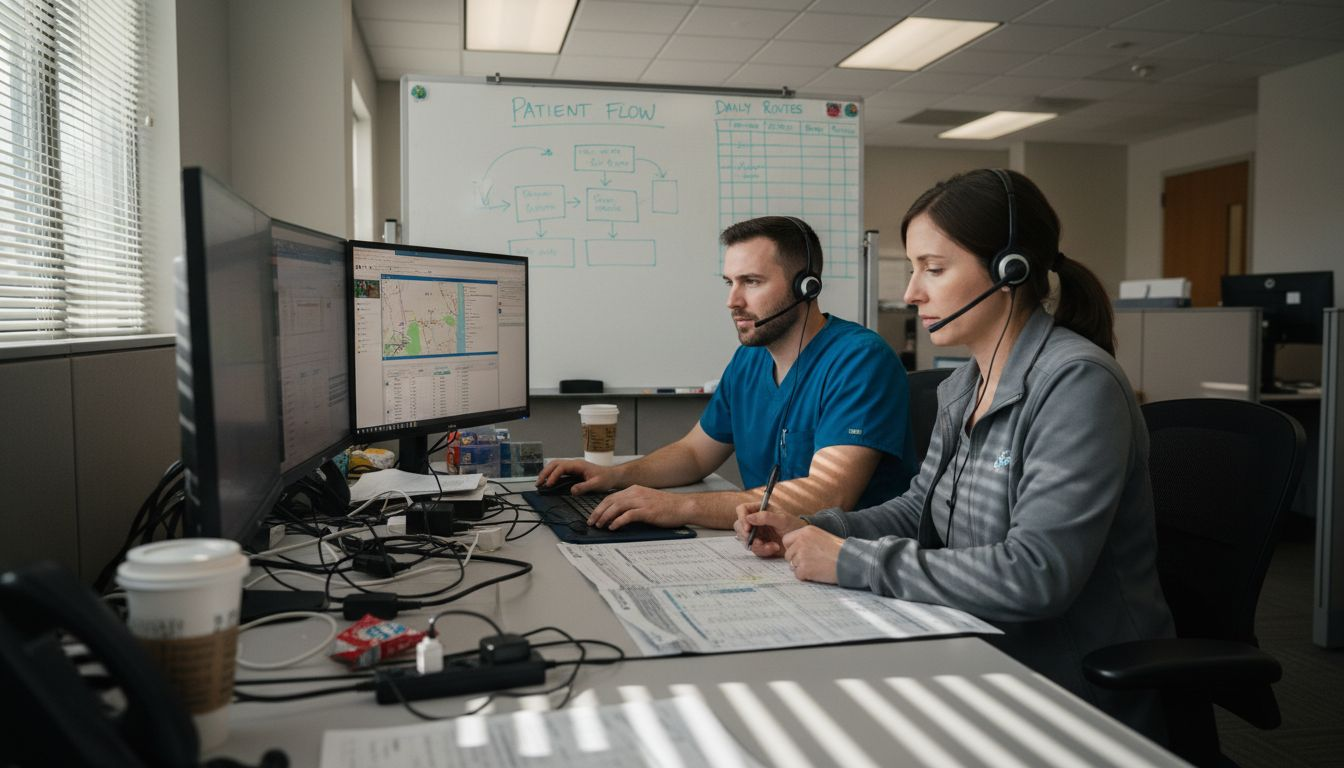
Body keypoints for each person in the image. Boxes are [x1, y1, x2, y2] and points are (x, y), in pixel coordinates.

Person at [734, 170, 1175, 739]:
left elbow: (1037, 576)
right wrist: (812, 527)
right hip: (974, 646)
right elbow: (920, 510)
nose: (912, 292)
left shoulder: (1076, 384)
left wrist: (850, 560)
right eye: (914, 268)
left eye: (934, 269)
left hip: (1067, 690)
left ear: (1009, 270)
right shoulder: (964, 385)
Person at [538, 215, 918, 531]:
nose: (732, 301)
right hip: (770, 549)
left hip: (849, 563)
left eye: (751, 282)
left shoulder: (860, 361)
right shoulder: (749, 359)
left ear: (807, 287)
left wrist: (679, 508)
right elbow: (694, 454)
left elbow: (827, 496)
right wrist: (615, 475)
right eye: (729, 282)